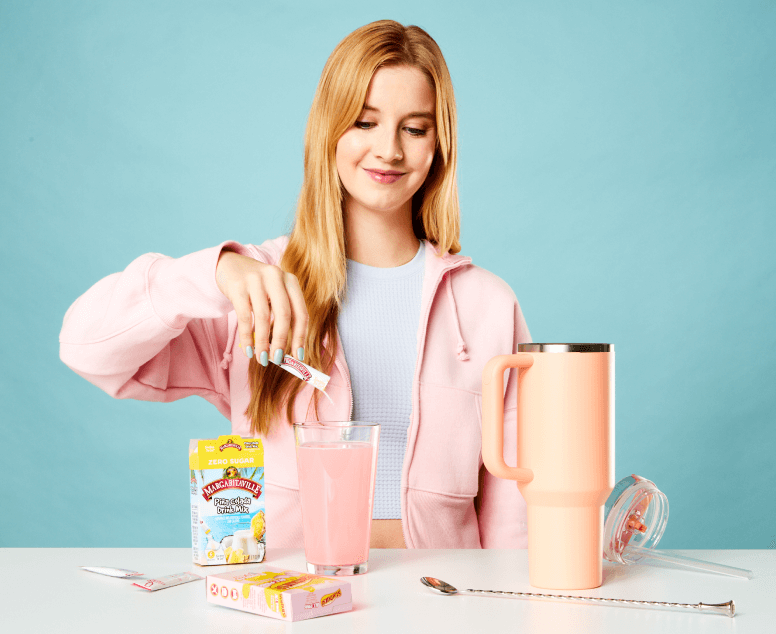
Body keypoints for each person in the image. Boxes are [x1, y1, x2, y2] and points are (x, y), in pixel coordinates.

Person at [60, 20, 531, 550]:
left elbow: (516, 503)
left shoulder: (488, 304)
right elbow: (85, 347)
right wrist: (215, 270)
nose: (389, 150)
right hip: (291, 603)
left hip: (441, 604)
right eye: (364, 122)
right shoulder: (257, 289)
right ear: (328, 129)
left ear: (438, 144)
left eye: (414, 128)